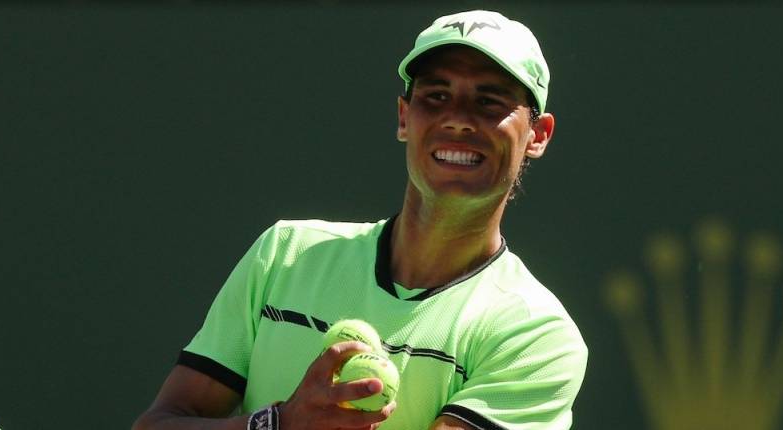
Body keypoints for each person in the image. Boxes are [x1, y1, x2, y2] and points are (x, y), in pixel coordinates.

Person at [134, 9, 587, 430]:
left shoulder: (536, 336)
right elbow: (160, 422)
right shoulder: (286, 253)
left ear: (537, 134)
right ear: (405, 117)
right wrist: (280, 424)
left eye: (489, 102)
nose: (458, 119)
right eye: (436, 95)